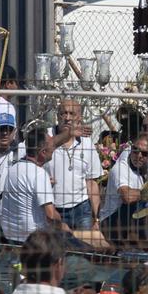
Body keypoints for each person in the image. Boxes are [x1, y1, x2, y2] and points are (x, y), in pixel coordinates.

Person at [0, 125, 63, 244]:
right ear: (43, 152)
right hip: (33, 240)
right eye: (51, 145)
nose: (54, 147)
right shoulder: (39, 174)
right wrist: (63, 225)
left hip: (10, 237)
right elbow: (51, 215)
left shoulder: (14, 168)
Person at [48, 98, 103, 231]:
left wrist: (96, 218)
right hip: (52, 208)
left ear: (80, 118)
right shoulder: (47, 138)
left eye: (72, 114)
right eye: (63, 113)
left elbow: (91, 182)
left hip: (81, 208)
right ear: (57, 116)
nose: (67, 118)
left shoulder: (87, 144)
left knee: (84, 249)